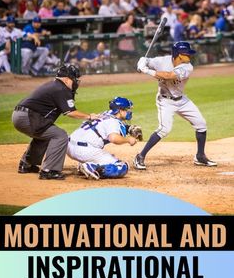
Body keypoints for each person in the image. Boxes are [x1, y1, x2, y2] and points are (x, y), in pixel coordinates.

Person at [134, 41, 217, 170]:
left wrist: (146, 70)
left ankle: (200, 156)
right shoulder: (162, 61)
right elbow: (147, 61)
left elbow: (169, 76)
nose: (189, 56)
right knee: (164, 129)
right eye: (186, 54)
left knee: (201, 124)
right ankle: (140, 156)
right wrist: (142, 61)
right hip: (165, 101)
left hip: (182, 100)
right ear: (178, 55)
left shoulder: (187, 67)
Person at [12, 64, 98, 180]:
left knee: (46, 134)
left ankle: (27, 164)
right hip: (28, 117)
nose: (76, 82)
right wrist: (89, 116)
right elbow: (70, 112)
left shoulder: (54, 85)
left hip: (20, 115)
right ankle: (49, 170)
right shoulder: (61, 88)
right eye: (74, 79)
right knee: (60, 135)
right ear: (67, 79)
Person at [67, 97, 137, 180]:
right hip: (84, 151)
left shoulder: (103, 115)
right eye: (127, 109)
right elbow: (113, 138)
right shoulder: (113, 122)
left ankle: (86, 162)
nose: (129, 112)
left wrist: (128, 128)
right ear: (120, 111)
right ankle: (92, 166)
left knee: (106, 154)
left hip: (69, 147)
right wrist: (129, 140)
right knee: (122, 167)